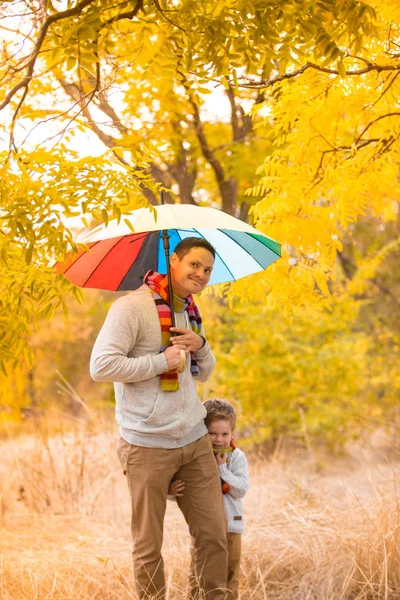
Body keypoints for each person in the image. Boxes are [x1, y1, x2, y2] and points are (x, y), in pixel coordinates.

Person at [90, 237, 228, 600]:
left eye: (208, 270)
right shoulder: (131, 308)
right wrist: (159, 362)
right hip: (147, 445)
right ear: (174, 260)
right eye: (195, 265)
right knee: (149, 547)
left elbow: (202, 373)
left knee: (213, 535)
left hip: (194, 441)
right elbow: (101, 366)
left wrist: (201, 346)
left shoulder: (189, 311)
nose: (201, 274)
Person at [170, 399, 249, 600]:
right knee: (198, 573)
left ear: (232, 433)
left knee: (229, 575)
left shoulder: (236, 457)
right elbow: (187, 489)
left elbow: (241, 490)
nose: (218, 440)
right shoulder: (195, 458)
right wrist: (171, 490)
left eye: (225, 434)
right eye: (212, 433)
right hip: (204, 527)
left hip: (231, 527)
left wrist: (222, 469)